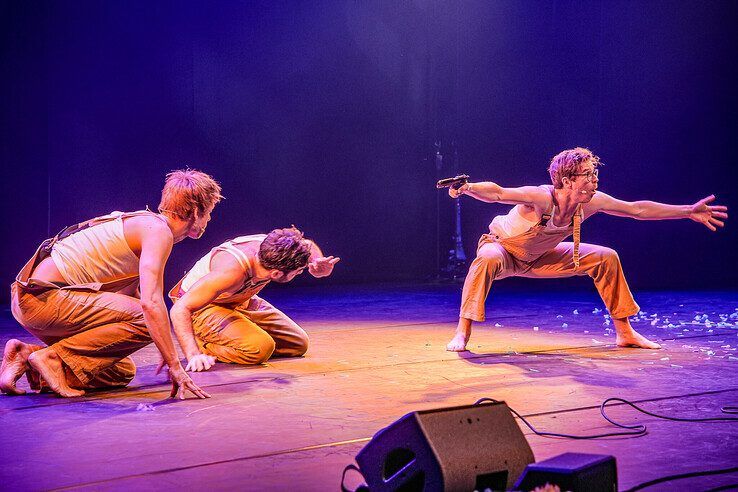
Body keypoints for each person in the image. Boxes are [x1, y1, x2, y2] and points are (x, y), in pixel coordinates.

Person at [446, 147, 728, 352]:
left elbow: (637, 210)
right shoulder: (541, 198)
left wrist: (687, 211)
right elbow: (497, 192)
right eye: (588, 175)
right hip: (504, 251)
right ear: (567, 181)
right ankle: (463, 330)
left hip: (541, 258)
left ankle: (625, 332)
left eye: (595, 174)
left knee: (606, 257)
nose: (595, 181)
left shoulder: (591, 202)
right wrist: (467, 187)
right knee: (485, 259)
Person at [1, 169, 222, 398]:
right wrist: (175, 365)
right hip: (42, 299)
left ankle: (26, 356)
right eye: (209, 213)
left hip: (34, 300)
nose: (209, 220)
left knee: (120, 372)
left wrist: (164, 349)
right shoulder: (158, 232)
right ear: (196, 211)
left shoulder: (144, 224)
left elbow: (129, 296)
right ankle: (53, 357)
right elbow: (150, 304)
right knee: (148, 318)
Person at [168, 227, 339, 372]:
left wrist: (316, 261)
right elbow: (180, 308)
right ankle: (204, 343)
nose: (300, 273)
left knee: (297, 343)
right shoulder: (231, 271)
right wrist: (193, 354)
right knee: (260, 348)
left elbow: (307, 244)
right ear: (276, 274)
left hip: (239, 298)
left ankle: (237, 334)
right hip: (204, 307)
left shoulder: (275, 247)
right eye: (298, 272)